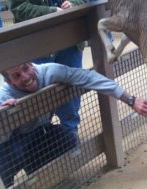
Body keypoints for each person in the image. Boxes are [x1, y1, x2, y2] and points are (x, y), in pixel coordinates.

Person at [0, 62, 147, 188]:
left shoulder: (49, 71)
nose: (25, 77)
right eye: (17, 76)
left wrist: (130, 100)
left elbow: (90, 78)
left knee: (69, 141)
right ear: (9, 82)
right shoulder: (3, 96)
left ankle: (35, 169)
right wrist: (3, 119)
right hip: (12, 141)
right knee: (3, 163)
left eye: (26, 68)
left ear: (31, 64)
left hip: (40, 132)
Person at [8, 0, 91, 153]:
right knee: (38, 100)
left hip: (69, 38)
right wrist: (51, 11)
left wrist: (73, 3)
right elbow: (18, 6)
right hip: (37, 41)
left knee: (70, 91)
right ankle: (39, 150)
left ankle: (70, 139)